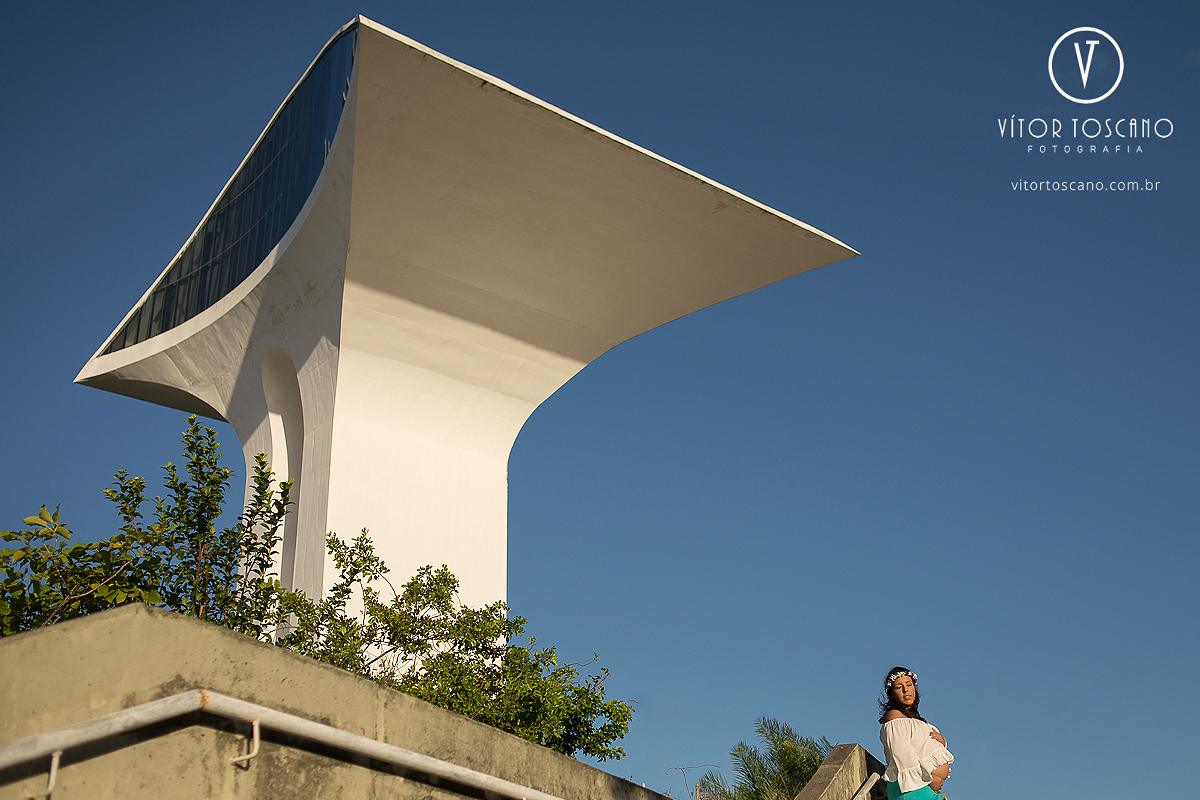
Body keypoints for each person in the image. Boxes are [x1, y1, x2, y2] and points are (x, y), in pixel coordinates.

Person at [878, 666, 953, 799]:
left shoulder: (915, 720)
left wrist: (942, 742)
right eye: (898, 687)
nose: (905, 689)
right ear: (892, 694)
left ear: (914, 688)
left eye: (909, 684)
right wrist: (930, 779)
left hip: (921, 787)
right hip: (911, 788)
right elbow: (901, 754)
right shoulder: (894, 716)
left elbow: (922, 749)